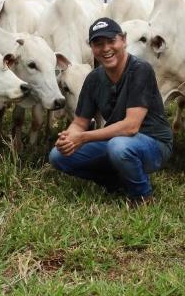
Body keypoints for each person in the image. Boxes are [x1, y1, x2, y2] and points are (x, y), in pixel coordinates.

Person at [48, 17, 172, 205]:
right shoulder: (94, 79)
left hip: (153, 144)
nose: (105, 49)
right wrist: (69, 137)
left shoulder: (140, 70)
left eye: (111, 41)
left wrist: (82, 138)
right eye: (98, 44)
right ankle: (116, 182)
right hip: (117, 140)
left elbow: (131, 127)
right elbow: (80, 122)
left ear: (123, 40)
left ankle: (142, 195)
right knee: (58, 156)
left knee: (119, 147)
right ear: (91, 47)